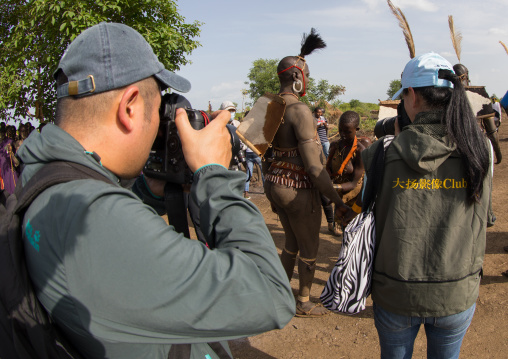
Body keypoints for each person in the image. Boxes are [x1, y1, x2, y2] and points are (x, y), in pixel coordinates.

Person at [17, 22, 295, 359]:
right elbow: (269, 293)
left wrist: (152, 187)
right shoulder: (92, 218)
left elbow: (108, 208)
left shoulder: (45, 175)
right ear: (130, 107)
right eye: (159, 106)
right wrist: (215, 175)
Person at [363, 53, 492, 358]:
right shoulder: (480, 148)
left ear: (413, 98)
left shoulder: (380, 153)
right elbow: (485, 217)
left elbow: (367, 213)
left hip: (396, 292)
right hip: (455, 292)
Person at [264, 29, 355, 317]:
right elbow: (314, 169)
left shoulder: (268, 106)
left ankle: (278, 291)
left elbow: (262, 152)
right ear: (297, 77)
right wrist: (338, 202)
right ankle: (303, 301)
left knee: (290, 242)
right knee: (309, 246)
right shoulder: (300, 111)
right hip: (297, 189)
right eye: (307, 75)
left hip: (274, 183)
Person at [326, 111, 371, 222]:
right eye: (340, 130)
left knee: (351, 228)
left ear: (357, 130)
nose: (342, 134)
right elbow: (329, 170)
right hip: (339, 196)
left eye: (347, 132)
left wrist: (331, 189)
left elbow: (353, 184)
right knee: (341, 224)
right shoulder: (334, 146)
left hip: (354, 198)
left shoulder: (360, 151)